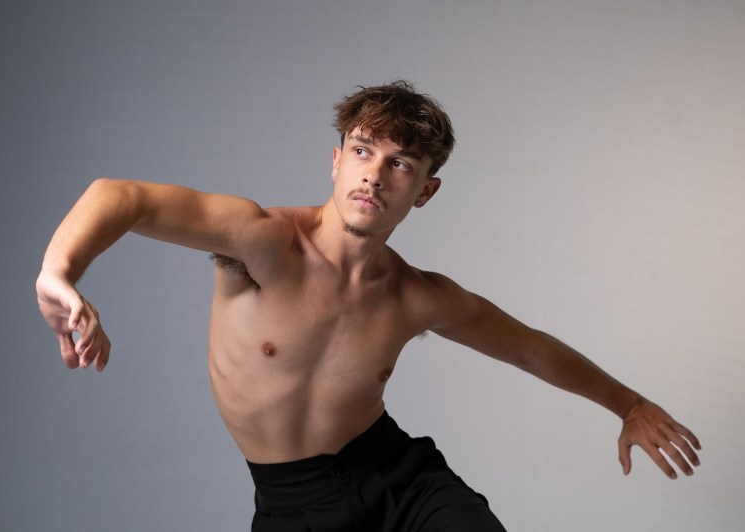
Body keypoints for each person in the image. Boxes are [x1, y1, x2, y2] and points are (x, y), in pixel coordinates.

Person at [36, 81, 701, 531]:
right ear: (336, 160)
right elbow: (120, 197)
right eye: (363, 151)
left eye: (401, 164)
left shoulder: (418, 297)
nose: (375, 175)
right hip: (293, 503)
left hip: (403, 480)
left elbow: (527, 345)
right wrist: (60, 273)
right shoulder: (262, 243)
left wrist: (629, 404)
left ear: (426, 191)